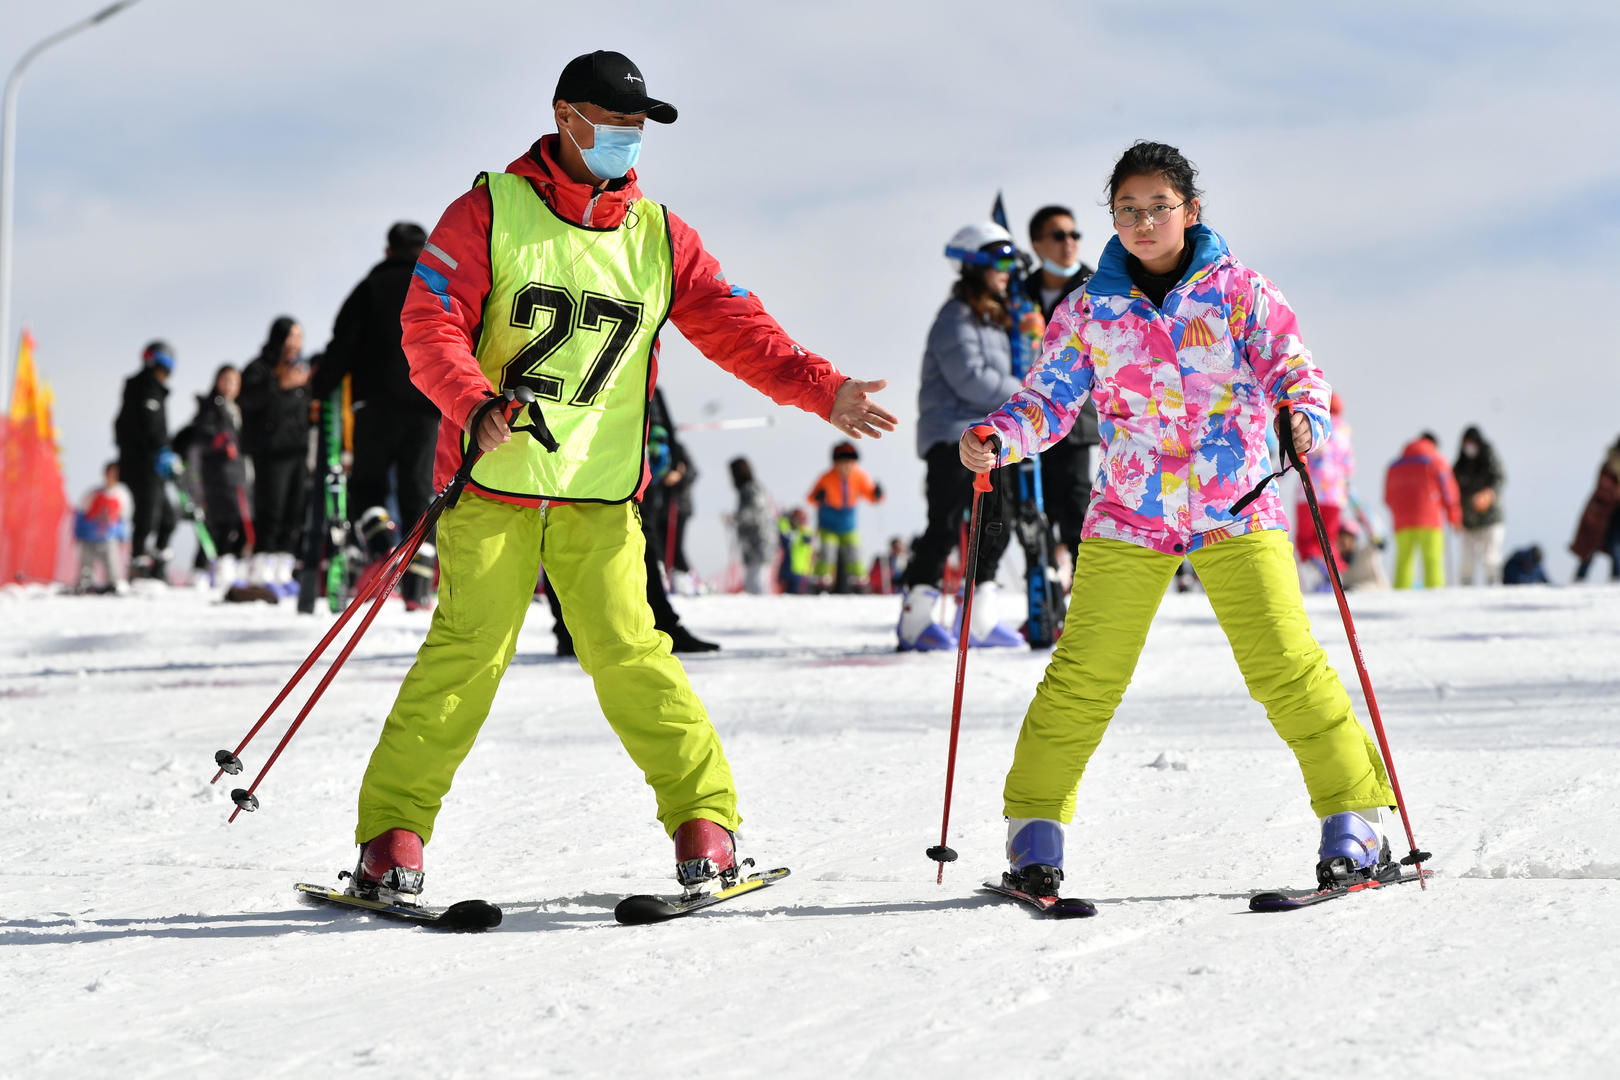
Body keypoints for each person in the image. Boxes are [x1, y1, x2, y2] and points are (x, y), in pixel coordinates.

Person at [347, 49, 896, 904]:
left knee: (635, 657)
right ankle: (392, 838)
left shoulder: (659, 235)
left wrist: (823, 391)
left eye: (639, 131)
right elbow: (430, 322)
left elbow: (739, 328)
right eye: (615, 127)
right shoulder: (488, 209)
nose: (629, 144)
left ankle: (705, 827)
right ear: (568, 118)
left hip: (599, 497)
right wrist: (473, 401)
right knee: (464, 659)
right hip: (494, 482)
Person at [959, 140, 1397, 897]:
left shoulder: (1240, 293)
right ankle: (1033, 832)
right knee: (1083, 676)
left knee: (1286, 667)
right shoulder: (1090, 307)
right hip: (1131, 511)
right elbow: (1051, 399)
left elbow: (1298, 372)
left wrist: (1302, 416)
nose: (1142, 222)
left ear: (1191, 212)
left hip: (1238, 504)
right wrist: (999, 436)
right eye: (1127, 210)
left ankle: (1356, 820)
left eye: (1158, 207)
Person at [897, 222, 1025, 651]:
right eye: (1002, 261)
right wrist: (1026, 391)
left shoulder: (992, 317)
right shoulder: (956, 316)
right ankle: (916, 617)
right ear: (977, 264)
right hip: (952, 436)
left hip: (987, 437)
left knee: (996, 525)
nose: (1009, 271)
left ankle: (979, 617)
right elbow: (970, 379)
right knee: (947, 524)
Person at [312, 222, 442, 607]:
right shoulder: (434, 287)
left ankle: (382, 542)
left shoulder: (368, 289)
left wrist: (318, 392)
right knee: (418, 491)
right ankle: (418, 586)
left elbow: (342, 344)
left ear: (388, 251)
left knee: (367, 485)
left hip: (374, 406)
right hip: (425, 405)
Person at [1024, 205, 1098, 566]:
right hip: (1025, 421)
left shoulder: (1097, 288)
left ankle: (1087, 607)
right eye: (1058, 235)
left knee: (1076, 515)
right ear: (1037, 245)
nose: (1069, 243)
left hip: (1077, 423)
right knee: (1031, 517)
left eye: (1074, 234)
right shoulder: (1018, 295)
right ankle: (1042, 608)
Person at [239, 317, 313, 594]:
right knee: (271, 508)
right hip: (270, 452)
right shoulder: (259, 369)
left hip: (297, 452)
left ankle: (283, 569)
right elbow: (248, 400)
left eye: (299, 337)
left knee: (294, 512)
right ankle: (261, 569)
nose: (295, 343)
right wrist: (278, 383)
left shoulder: (302, 371)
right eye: (290, 337)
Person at [173, 364, 251, 588]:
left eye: (235, 382)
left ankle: (221, 567)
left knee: (235, 525)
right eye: (226, 380)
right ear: (217, 381)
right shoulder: (210, 409)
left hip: (237, 476)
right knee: (217, 524)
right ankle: (204, 570)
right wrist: (219, 442)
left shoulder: (238, 409)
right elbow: (199, 438)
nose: (230, 386)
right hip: (215, 476)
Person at [113, 341, 178, 580]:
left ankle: (158, 566)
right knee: (146, 515)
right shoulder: (143, 387)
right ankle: (138, 567)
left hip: (155, 466)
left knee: (168, 519)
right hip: (142, 465)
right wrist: (160, 449)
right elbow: (147, 429)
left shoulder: (155, 390)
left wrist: (167, 453)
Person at [1383, 431, 1461, 589]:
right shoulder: (1436, 461)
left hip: (1402, 520)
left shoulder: (1395, 465)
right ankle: (1435, 594)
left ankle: (1399, 596)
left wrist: (1399, 511)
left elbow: (1387, 496)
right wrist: (1454, 516)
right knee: (1432, 560)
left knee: (1403, 560)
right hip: (1430, 518)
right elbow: (1448, 491)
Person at [1294, 392, 1354, 588]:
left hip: (1310, 491)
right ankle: (1333, 574)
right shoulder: (1344, 431)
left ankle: (1317, 572)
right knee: (1328, 538)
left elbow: (1295, 454)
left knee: (1306, 538)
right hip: (1336, 495)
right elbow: (1349, 466)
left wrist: (1276, 475)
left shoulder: (1314, 423)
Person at [808, 441, 883, 593]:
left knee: (854, 551)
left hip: (848, 525)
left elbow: (870, 495)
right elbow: (811, 498)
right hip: (828, 525)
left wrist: (877, 494)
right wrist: (818, 496)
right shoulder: (826, 478)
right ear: (835, 464)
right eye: (842, 463)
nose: (846, 467)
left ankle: (858, 581)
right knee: (828, 551)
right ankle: (822, 580)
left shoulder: (859, 476)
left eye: (849, 463)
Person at [1453, 425, 1506, 585]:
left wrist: (1489, 494)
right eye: (1466, 443)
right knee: (1467, 561)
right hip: (1468, 520)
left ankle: (1493, 586)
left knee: (1491, 556)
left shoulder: (1490, 458)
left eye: (1472, 443)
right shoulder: (1460, 464)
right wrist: (1455, 515)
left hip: (1490, 518)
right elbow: (1452, 489)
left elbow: (1499, 478)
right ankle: (1465, 589)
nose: (1469, 447)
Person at [74, 462, 133, 594]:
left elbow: (123, 518)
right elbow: (81, 513)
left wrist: (122, 536)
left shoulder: (121, 495)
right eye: (109, 473)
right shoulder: (94, 493)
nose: (111, 477)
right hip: (90, 536)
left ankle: (113, 583)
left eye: (115, 474)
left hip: (108, 537)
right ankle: (85, 583)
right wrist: (79, 532)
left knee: (112, 563)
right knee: (86, 563)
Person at [1571, 435, 1620, 581]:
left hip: (1616, 515)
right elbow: (1604, 489)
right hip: (1601, 514)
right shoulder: (1609, 466)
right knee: (1590, 548)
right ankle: (1579, 581)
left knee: (1615, 547)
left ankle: (1616, 581)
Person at [729, 457, 773, 596]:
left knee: (757, 580)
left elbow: (754, 510)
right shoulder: (752, 488)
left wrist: (736, 518)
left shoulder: (750, 489)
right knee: (753, 579)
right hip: (756, 542)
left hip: (759, 541)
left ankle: (761, 610)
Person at [777, 507, 815, 594]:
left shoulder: (804, 533)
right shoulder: (789, 532)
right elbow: (782, 528)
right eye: (794, 518)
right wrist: (784, 518)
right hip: (787, 569)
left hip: (801, 572)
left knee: (797, 597)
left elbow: (807, 538)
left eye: (799, 519)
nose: (797, 521)